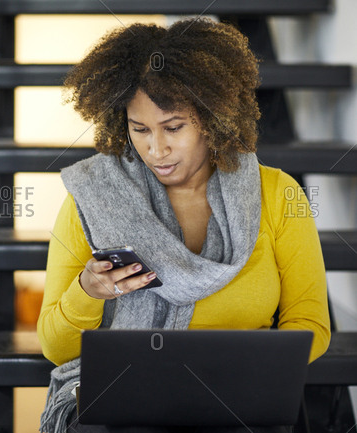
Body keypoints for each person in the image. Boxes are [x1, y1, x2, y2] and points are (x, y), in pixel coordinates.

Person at [37, 17, 331, 433]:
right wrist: (88, 292)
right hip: (126, 407)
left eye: (173, 127)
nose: (157, 149)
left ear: (212, 119)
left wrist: (245, 373)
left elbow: (310, 323)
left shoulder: (278, 195)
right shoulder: (92, 198)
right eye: (140, 130)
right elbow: (55, 346)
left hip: (240, 403)